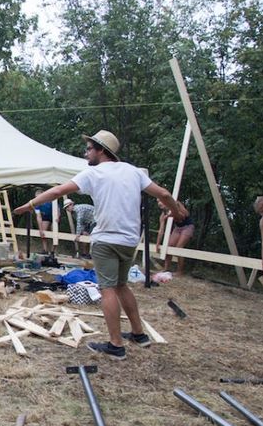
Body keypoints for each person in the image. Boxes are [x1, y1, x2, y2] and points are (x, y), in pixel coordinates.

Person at [14, 130, 187, 361]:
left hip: (106, 239)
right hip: (129, 240)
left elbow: (57, 191)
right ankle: (139, 334)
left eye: (89, 149)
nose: (86, 153)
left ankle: (116, 345)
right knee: (121, 285)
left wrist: (30, 205)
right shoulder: (133, 171)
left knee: (107, 289)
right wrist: (176, 212)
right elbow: (164, 193)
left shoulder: (93, 174)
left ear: (101, 150)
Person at [155, 199, 194, 274]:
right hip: (178, 228)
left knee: (179, 247)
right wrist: (158, 244)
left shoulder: (176, 203)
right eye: (158, 202)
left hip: (187, 226)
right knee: (169, 245)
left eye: (161, 200)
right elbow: (161, 231)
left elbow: (185, 215)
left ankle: (180, 271)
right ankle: (166, 269)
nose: (159, 203)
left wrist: (173, 212)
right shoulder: (163, 215)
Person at [32, 189, 54, 254]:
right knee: (43, 232)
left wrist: (57, 217)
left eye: (39, 197)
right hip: (46, 217)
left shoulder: (51, 199)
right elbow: (38, 217)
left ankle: (53, 251)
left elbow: (57, 210)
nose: (38, 199)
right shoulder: (37, 204)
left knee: (54, 234)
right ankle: (45, 250)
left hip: (54, 216)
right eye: (36, 198)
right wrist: (41, 230)